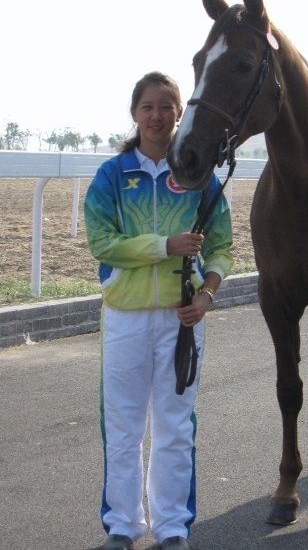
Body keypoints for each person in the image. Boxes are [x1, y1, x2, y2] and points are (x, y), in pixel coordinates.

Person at [84, 71, 233, 550]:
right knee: (123, 426)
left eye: (166, 107)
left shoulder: (198, 177)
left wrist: (207, 294)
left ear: (179, 113)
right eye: (147, 107)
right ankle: (123, 526)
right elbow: (102, 244)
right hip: (125, 318)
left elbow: (223, 248)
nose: (156, 116)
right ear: (135, 113)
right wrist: (164, 245)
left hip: (181, 320)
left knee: (174, 426)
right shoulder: (112, 175)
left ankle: (171, 527)